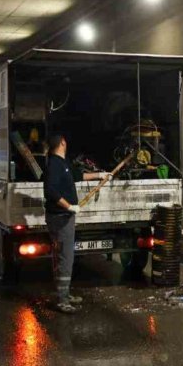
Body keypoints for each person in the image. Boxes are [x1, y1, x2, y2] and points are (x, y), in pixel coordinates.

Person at [43, 133, 111, 314]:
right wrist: (69, 207)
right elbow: (50, 191)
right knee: (65, 258)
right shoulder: (55, 165)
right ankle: (62, 299)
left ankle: (64, 294)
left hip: (65, 217)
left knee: (66, 257)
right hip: (60, 218)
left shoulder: (63, 164)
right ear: (63, 143)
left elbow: (78, 175)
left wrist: (100, 175)